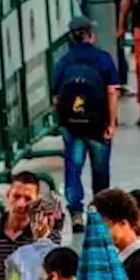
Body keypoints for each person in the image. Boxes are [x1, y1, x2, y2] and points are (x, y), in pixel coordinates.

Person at [52, 16, 120, 229]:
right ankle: (99, 211)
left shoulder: (63, 62)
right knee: (100, 170)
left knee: (73, 168)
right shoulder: (103, 59)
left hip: (73, 126)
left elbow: (56, 98)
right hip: (98, 125)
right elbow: (112, 92)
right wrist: (111, 123)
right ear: (90, 34)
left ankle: (76, 212)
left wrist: (64, 122)